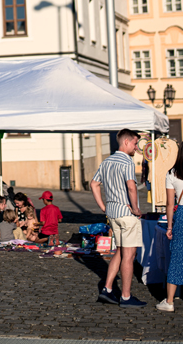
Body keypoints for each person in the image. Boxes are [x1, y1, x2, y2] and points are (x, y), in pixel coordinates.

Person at [90, 128, 146, 308]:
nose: (137, 147)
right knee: (129, 256)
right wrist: (136, 208)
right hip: (126, 213)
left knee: (120, 251)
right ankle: (126, 296)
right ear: (126, 142)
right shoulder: (127, 162)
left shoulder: (106, 162)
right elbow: (131, 187)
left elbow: (94, 184)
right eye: (135, 143)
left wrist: (103, 206)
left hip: (113, 212)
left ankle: (107, 288)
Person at [156, 141, 183, 312]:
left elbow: (169, 203)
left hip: (181, 213)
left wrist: (169, 227)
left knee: (178, 255)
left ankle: (170, 300)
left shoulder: (172, 173)